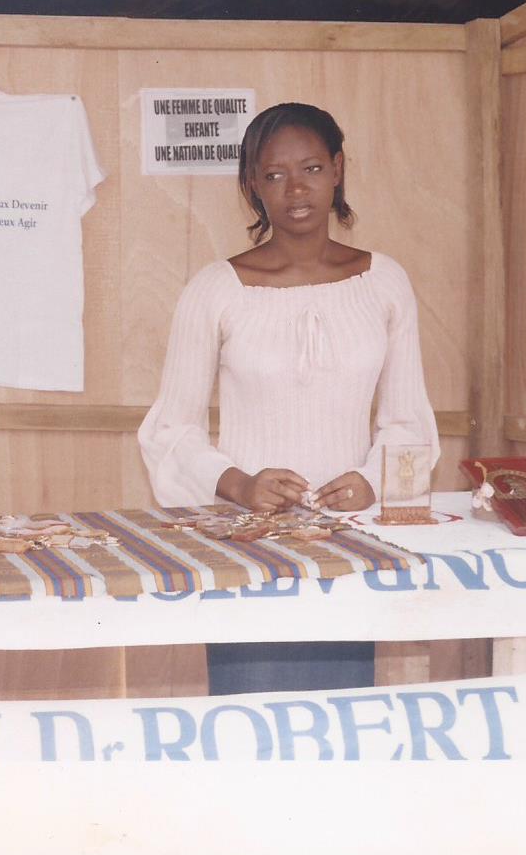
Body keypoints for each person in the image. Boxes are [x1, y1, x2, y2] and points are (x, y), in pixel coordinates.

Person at [138, 102, 439, 693]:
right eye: (273, 175)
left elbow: (410, 426)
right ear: (251, 184)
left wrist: (373, 479)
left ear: (338, 169)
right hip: (246, 547)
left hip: (352, 544)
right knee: (252, 720)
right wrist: (241, 485)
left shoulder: (385, 283)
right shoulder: (214, 291)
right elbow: (170, 432)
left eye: (311, 169)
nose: (295, 189)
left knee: (343, 724)